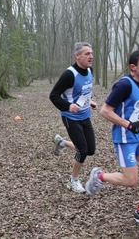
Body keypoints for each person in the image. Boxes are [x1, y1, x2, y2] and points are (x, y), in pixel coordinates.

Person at [85, 50, 139, 227]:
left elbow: (136, 110)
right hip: (125, 138)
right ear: (133, 67)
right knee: (131, 180)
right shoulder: (124, 85)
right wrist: (129, 125)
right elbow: (105, 111)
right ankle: (100, 176)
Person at [50, 42, 98, 193]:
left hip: (85, 115)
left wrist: (89, 101)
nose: (91, 56)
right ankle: (73, 181)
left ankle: (62, 142)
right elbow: (53, 96)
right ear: (77, 56)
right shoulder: (69, 74)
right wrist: (68, 106)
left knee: (90, 149)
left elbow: (83, 91)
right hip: (70, 117)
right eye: (87, 54)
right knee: (82, 151)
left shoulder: (90, 70)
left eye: (91, 53)